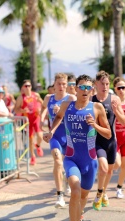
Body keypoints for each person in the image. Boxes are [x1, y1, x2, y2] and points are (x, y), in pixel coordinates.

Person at [43, 74, 111, 221]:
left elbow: (108, 134)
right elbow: (59, 117)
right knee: (75, 190)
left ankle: (78, 215)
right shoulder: (67, 105)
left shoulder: (97, 107)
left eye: (88, 87)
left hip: (90, 162)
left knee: (83, 196)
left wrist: (95, 125)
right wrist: (51, 132)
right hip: (71, 158)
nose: (85, 90)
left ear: (92, 90)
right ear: (76, 89)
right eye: (82, 87)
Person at [91, 71, 125, 211]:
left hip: (111, 141)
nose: (105, 86)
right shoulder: (91, 100)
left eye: (107, 84)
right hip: (97, 140)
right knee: (103, 168)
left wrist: (116, 110)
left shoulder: (114, 99)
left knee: (110, 170)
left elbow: (123, 121)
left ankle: (103, 192)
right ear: (96, 84)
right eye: (102, 84)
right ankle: (99, 193)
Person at [40, 73, 76, 208]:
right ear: (54, 85)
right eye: (59, 84)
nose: (61, 86)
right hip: (54, 136)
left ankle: (67, 180)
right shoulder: (48, 98)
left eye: (64, 84)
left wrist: (62, 111)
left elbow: (77, 114)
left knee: (66, 165)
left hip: (69, 136)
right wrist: (41, 119)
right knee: (57, 160)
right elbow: (43, 107)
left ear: (67, 85)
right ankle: (59, 195)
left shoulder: (71, 98)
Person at [14, 80, 44, 165]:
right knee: (30, 140)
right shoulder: (21, 98)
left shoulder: (36, 95)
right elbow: (16, 109)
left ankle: (38, 145)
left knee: (40, 136)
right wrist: (22, 110)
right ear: (22, 88)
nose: (28, 87)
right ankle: (33, 156)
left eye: (29, 86)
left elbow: (43, 104)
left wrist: (40, 109)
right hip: (27, 121)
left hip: (36, 118)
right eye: (25, 86)